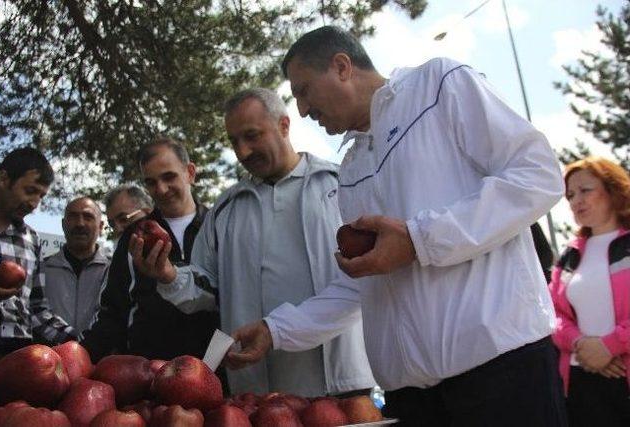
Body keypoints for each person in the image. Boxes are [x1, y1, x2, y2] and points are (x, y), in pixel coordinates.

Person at [225, 26, 567, 426]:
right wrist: (277, 330)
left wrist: (421, 239)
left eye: (303, 91)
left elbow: (537, 175)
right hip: (412, 400)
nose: (301, 110)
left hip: (503, 377)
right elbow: (360, 285)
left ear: (341, 67)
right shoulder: (351, 167)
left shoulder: (439, 86)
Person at [157, 88, 375, 396]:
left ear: (284, 126)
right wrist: (168, 276)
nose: (243, 151)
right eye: (234, 141)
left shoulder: (341, 185)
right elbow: (206, 288)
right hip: (256, 394)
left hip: (341, 387)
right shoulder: (225, 208)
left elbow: (369, 281)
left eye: (252, 135)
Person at [80, 137, 219, 362]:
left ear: (190, 173)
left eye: (169, 177)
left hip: (214, 374)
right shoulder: (133, 237)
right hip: (149, 377)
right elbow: (114, 311)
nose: (161, 189)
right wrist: (80, 357)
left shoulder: (219, 227)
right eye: (151, 182)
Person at [549, 157, 630, 427]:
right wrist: (582, 345)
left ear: (612, 189)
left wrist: (609, 346)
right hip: (580, 383)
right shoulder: (569, 256)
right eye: (570, 195)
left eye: (585, 190)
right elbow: (553, 315)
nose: (576, 201)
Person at [0, 148, 75, 362]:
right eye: (30, 190)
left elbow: (37, 308)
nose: (34, 203)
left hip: (17, 352)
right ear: (3, 178)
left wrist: (76, 342)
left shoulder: (31, 239)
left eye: (41, 196)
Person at [43, 197, 110, 334]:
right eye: (73, 217)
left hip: (101, 352)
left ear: (101, 226)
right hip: (48, 352)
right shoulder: (42, 269)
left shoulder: (114, 270)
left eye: (88, 217)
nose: (80, 224)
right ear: (63, 224)